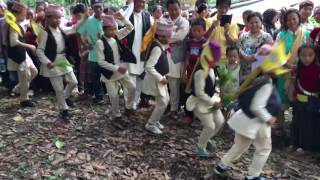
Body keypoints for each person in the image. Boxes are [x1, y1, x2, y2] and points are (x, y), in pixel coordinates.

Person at [214, 51, 286, 180]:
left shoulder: (260, 80)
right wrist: (268, 118)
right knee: (263, 149)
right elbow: (257, 106)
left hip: (245, 120)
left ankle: (222, 165)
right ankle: (253, 175)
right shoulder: (267, 85)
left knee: (240, 146)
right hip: (257, 122)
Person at [36, 4, 85, 121]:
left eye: (59, 17)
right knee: (58, 88)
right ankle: (64, 110)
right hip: (52, 61)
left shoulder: (61, 29)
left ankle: (65, 97)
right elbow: (39, 50)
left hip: (63, 60)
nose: (57, 20)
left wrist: (85, 18)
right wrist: (47, 62)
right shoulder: (45, 33)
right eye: (54, 17)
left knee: (73, 81)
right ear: (48, 19)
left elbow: (74, 28)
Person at [186, 41, 224, 157]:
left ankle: (206, 138)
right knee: (210, 125)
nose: (216, 63)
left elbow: (212, 85)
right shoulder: (200, 73)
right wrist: (214, 102)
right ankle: (200, 148)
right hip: (199, 103)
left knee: (220, 121)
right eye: (214, 60)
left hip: (210, 101)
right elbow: (199, 93)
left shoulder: (211, 69)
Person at [96, 14, 136, 119]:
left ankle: (129, 107)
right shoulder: (100, 43)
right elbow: (101, 62)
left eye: (114, 29)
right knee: (114, 96)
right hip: (109, 73)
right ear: (104, 30)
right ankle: (116, 114)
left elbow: (130, 27)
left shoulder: (116, 35)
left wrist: (122, 18)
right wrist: (117, 68)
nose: (112, 32)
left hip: (121, 70)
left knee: (132, 87)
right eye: (110, 30)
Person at [142, 19, 173, 134]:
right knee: (163, 102)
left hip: (161, 78)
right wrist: (160, 78)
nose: (169, 38)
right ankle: (150, 124)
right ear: (160, 36)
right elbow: (149, 67)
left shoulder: (160, 45)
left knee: (166, 100)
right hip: (157, 80)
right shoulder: (157, 48)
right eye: (167, 36)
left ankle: (156, 120)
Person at [5, 1, 38, 107]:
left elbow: (26, 23)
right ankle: (24, 99)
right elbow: (13, 42)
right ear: (15, 14)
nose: (24, 17)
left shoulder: (17, 24)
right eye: (22, 15)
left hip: (22, 53)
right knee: (25, 76)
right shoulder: (12, 26)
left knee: (34, 71)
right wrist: (30, 46)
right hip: (17, 55)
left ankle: (18, 88)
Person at [290, 45, 320, 154]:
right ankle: (295, 143)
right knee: (297, 121)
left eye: (310, 55)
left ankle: (306, 147)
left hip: (313, 102)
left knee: (309, 124)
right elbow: (296, 84)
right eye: (303, 55)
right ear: (299, 56)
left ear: (315, 55)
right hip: (299, 99)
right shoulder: (299, 68)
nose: (307, 58)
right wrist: (293, 97)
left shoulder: (318, 69)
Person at [123, 0, 153, 109]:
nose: (140, 4)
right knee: (129, 81)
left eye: (143, 2)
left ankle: (135, 102)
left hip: (142, 54)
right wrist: (129, 7)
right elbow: (120, 23)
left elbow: (153, 30)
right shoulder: (126, 13)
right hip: (129, 53)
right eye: (138, 1)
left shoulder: (147, 16)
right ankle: (128, 105)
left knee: (140, 80)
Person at [165, 0, 190, 119]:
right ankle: (171, 107)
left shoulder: (184, 22)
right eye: (171, 9)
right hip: (167, 57)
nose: (173, 12)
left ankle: (181, 110)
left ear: (180, 9)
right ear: (168, 10)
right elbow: (159, 36)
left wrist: (166, 38)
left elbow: (180, 36)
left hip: (181, 59)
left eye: (176, 9)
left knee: (180, 85)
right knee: (170, 84)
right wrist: (171, 38)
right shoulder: (165, 21)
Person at [182, 18, 207, 125]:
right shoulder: (190, 42)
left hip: (200, 74)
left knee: (198, 94)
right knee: (188, 93)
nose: (196, 33)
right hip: (189, 72)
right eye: (194, 30)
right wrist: (184, 72)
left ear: (204, 31)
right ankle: (188, 115)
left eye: (199, 30)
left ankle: (198, 116)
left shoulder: (205, 43)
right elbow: (187, 57)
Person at [79, 0, 104, 104]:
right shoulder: (89, 21)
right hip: (93, 53)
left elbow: (114, 32)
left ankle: (110, 95)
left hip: (106, 53)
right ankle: (99, 96)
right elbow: (80, 33)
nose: (98, 9)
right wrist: (85, 44)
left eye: (100, 7)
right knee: (95, 76)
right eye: (95, 7)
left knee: (108, 76)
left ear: (103, 8)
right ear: (92, 9)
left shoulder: (107, 20)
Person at [238, 12, 273, 83]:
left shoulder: (267, 37)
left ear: (261, 23)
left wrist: (253, 58)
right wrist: (245, 57)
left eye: (256, 22)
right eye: (251, 22)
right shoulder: (243, 36)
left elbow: (269, 54)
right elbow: (239, 49)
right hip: (244, 72)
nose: (254, 25)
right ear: (247, 24)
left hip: (260, 72)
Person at [205, 0, 238, 64]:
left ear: (229, 7)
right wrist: (211, 28)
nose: (223, 10)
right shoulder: (209, 21)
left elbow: (233, 44)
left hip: (227, 59)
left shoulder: (233, 23)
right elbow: (204, 39)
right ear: (217, 7)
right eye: (221, 7)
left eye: (226, 7)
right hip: (211, 58)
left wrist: (226, 34)